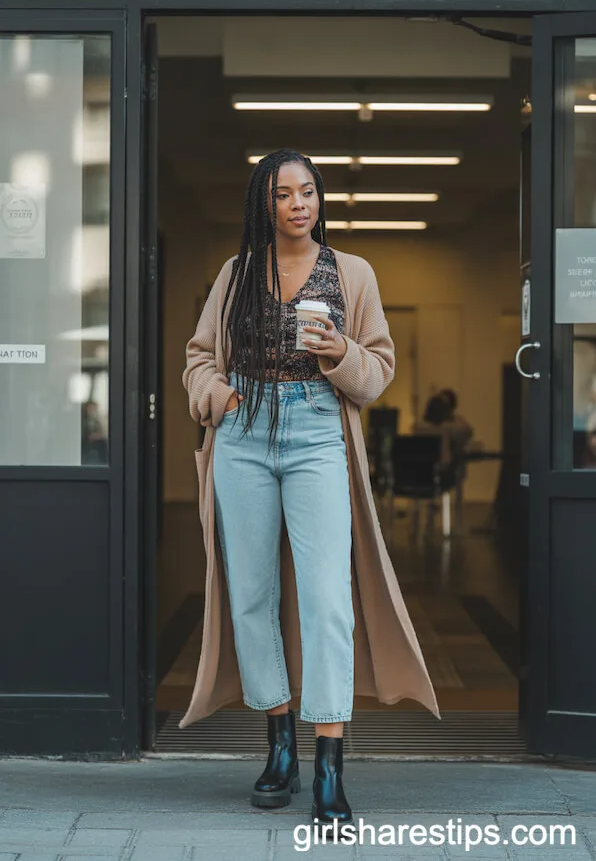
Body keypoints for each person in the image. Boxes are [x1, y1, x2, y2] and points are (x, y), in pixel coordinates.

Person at [181, 149, 439, 831]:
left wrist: (338, 354)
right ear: (262, 207)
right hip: (243, 431)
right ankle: (278, 745)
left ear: (319, 199)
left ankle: (329, 762)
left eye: (308, 192)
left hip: (317, 426)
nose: (298, 204)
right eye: (283, 194)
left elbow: (378, 366)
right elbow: (199, 355)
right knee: (252, 594)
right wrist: (219, 397)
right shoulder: (236, 274)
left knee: (328, 596)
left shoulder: (352, 272)